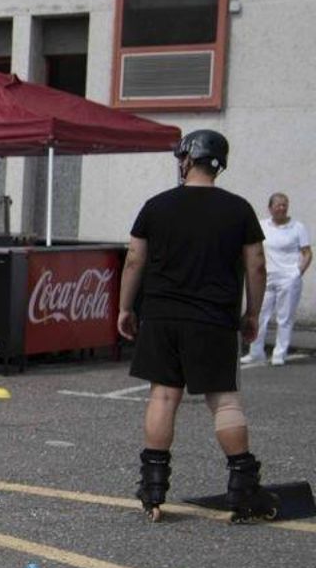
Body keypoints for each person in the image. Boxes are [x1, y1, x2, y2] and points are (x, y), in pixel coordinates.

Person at [117, 129, 274, 524]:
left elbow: (135, 259)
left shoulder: (157, 205)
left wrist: (124, 308)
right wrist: (252, 313)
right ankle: (242, 488)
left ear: (187, 159)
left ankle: (153, 491)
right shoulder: (238, 209)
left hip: (163, 315)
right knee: (224, 400)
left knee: (163, 397)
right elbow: (256, 264)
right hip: (214, 319)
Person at [240, 192, 310, 366]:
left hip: (289, 278)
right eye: (278, 205)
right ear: (270, 208)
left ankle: (280, 353)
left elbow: (307, 253)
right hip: (267, 277)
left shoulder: (297, 227)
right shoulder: (262, 225)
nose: (282, 208)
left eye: (285, 204)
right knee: (260, 315)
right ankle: (256, 352)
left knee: (284, 317)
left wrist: (297, 272)